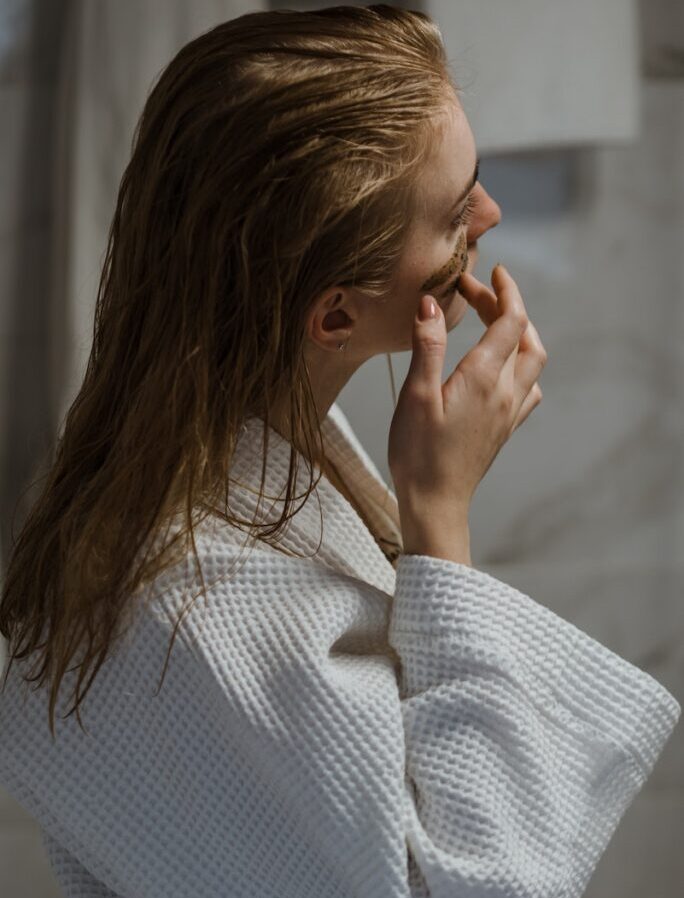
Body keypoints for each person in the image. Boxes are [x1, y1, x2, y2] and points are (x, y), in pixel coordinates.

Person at [0, 6, 679, 897]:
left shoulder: (230, 451)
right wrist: (439, 513)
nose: (491, 212)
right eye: (453, 210)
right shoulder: (197, 615)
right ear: (335, 316)